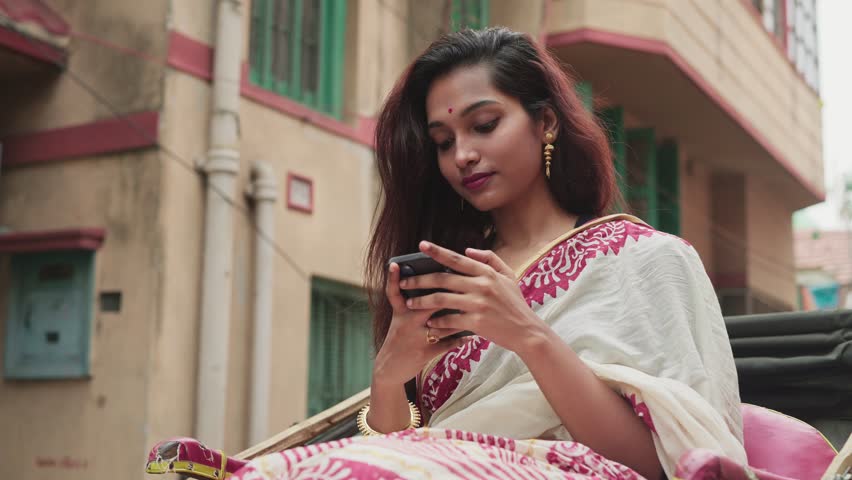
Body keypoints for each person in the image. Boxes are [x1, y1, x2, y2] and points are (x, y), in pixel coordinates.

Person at [223, 27, 744, 479]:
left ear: (547, 123)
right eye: (443, 141)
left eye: (484, 124)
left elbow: (654, 465)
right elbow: (397, 451)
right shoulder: (451, 278)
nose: (462, 155)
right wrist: (389, 376)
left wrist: (530, 335)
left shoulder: (650, 262)